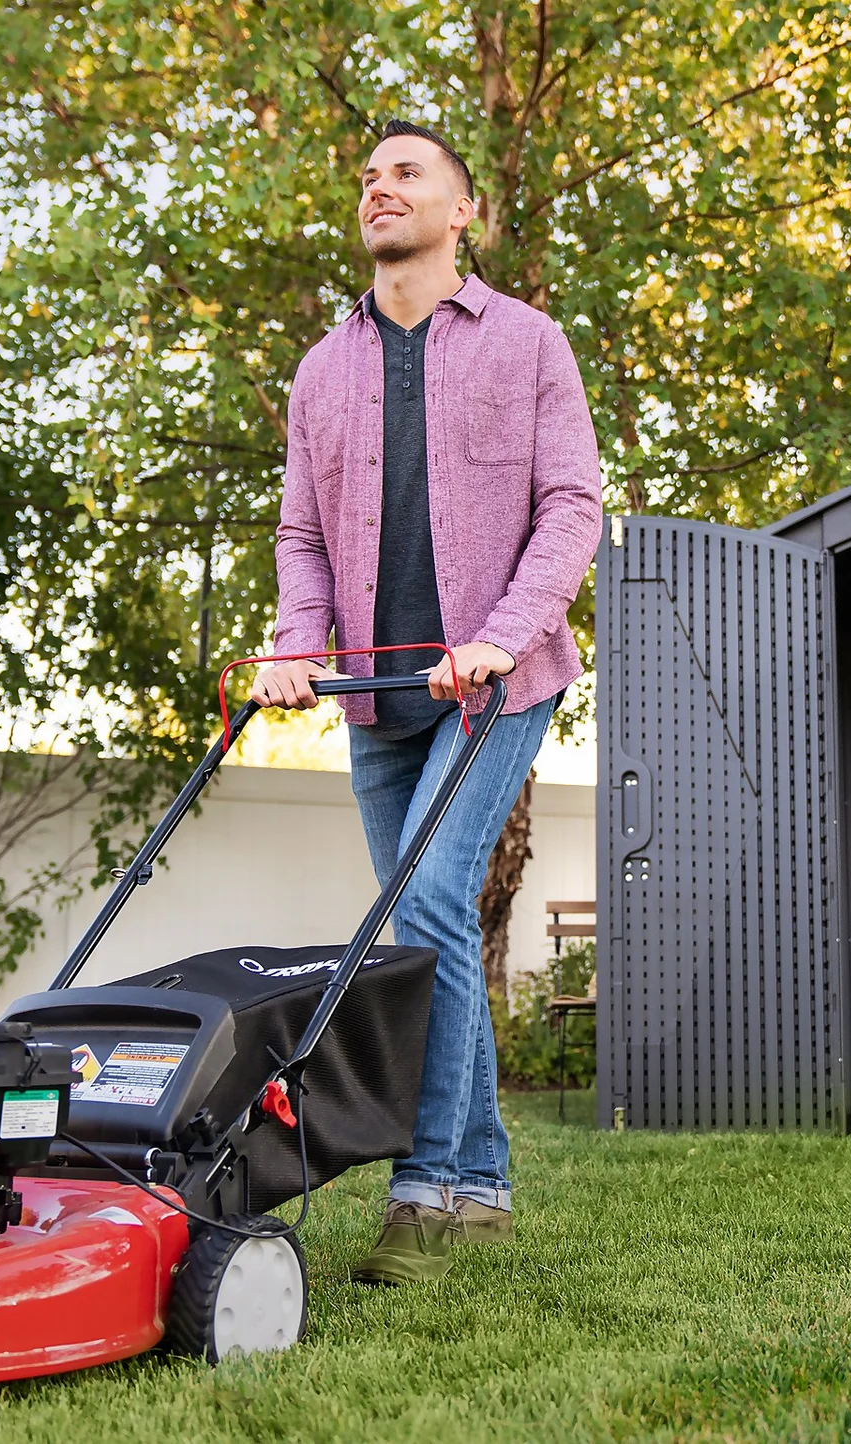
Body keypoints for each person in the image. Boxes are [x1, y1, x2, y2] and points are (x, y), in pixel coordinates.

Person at [251, 118, 602, 1284]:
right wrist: (300, 646)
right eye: (367, 177)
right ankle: (489, 1181)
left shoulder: (529, 345)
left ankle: (424, 1192)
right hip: (376, 697)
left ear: (463, 213)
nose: (377, 188)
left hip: (494, 688)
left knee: (432, 909)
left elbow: (571, 508)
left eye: (405, 173)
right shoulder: (321, 370)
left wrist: (501, 641)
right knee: (426, 923)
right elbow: (302, 538)